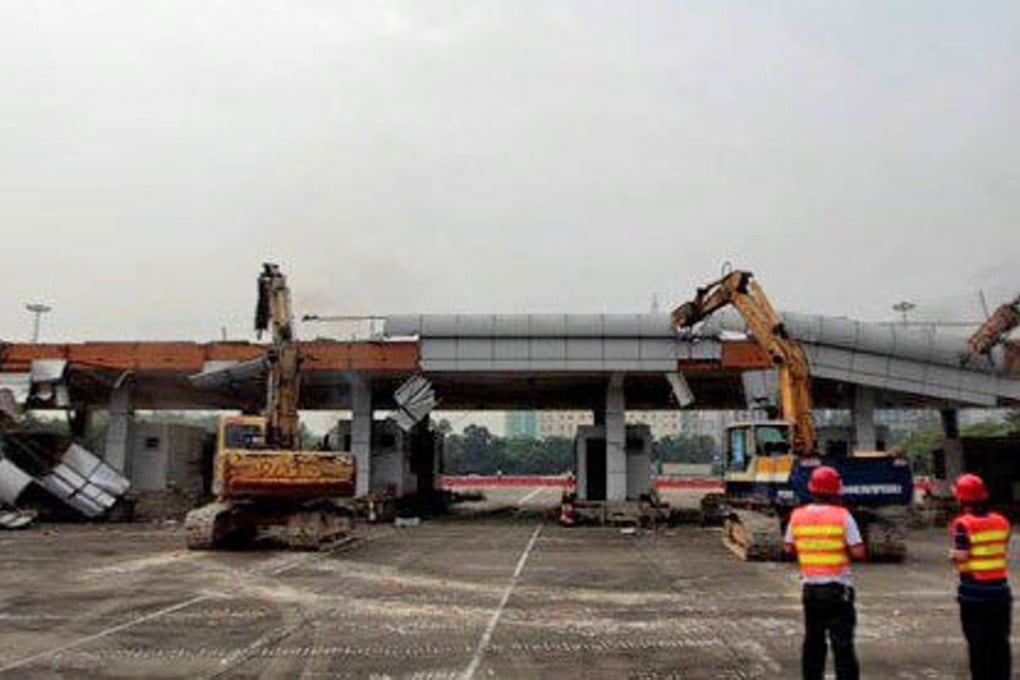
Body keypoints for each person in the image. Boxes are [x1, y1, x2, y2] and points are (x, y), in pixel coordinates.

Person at [784, 465, 866, 680]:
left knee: (813, 642)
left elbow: (788, 547)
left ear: (812, 489)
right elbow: (858, 551)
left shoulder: (797, 515)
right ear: (835, 491)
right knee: (843, 645)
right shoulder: (843, 515)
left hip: (810, 589)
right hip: (838, 590)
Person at [950, 473, 1012, 679]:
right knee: (1000, 645)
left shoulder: (963, 524)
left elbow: (963, 560)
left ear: (962, 499)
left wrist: (954, 556)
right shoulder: (1002, 521)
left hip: (974, 595)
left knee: (979, 648)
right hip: (1001, 593)